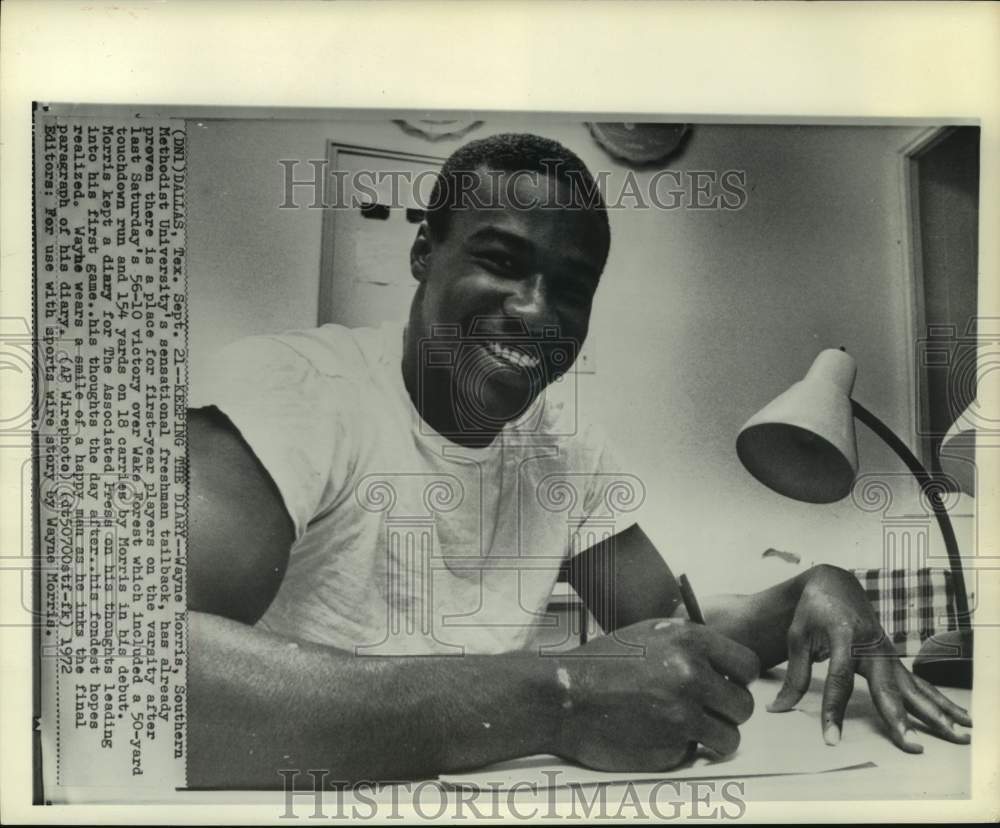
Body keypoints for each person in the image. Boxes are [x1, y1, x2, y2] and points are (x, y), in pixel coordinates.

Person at [187, 133, 971, 788]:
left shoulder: (565, 449)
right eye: (501, 260)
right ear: (425, 251)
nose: (535, 309)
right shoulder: (287, 389)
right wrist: (558, 694)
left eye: (570, 288)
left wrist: (810, 589)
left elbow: (673, 632)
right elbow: (152, 667)